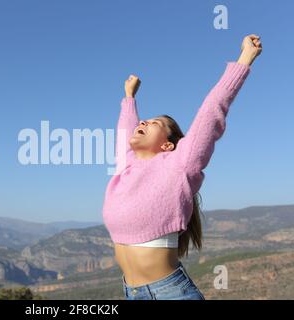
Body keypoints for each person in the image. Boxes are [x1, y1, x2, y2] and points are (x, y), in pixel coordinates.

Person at [102, 34, 262, 300]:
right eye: (142, 122)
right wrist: (129, 98)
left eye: (153, 124)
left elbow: (211, 112)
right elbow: (125, 131)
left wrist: (244, 59)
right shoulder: (125, 168)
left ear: (168, 145)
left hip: (170, 294)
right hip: (131, 293)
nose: (142, 124)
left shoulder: (179, 164)